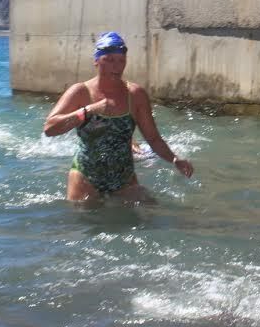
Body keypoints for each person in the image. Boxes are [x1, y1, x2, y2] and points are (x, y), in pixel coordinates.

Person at [43, 32, 193, 204]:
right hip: (86, 177)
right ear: (96, 61)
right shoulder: (80, 92)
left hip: (124, 178)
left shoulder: (135, 95)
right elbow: (49, 128)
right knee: (86, 218)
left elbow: (153, 138)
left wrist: (174, 159)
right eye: (109, 60)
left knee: (151, 211)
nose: (116, 66)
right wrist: (88, 110)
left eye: (121, 60)